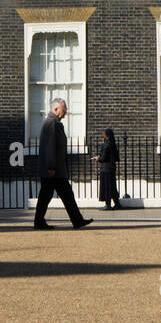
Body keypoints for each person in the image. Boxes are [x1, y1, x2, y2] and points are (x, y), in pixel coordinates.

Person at [34, 99, 92, 230]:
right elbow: (50, 147)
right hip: (54, 170)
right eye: (63, 108)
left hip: (55, 169)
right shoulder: (52, 123)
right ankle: (76, 220)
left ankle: (75, 220)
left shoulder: (53, 123)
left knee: (52, 195)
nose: (65, 111)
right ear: (55, 109)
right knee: (59, 195)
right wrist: (51, 167)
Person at [93, 128, 121, 210]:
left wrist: (98, 159)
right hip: (111, 168)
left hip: (105, 168)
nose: (103, 134)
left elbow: (104, 157)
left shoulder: (106, 144)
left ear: (107, 135)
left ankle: (108, 204)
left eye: (104, 133)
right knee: (112, 186)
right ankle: (117, 203)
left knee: (106, 187)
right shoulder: (113, 144)